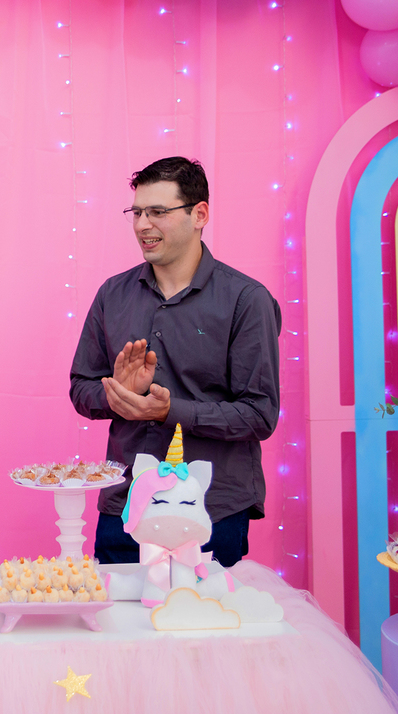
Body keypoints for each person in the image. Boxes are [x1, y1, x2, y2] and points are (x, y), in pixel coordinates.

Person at [69, 157, 281, 568]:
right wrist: (118, 394)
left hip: (211, 507)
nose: (142, 225)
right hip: (126, 507)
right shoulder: (113, 294)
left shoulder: (245, 300)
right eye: (137, 212)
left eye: (158, 212)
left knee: (207, 626)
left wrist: (169, 411)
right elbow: (81, 388)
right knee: (119, 629)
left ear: (199, 214)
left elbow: (260, 414)